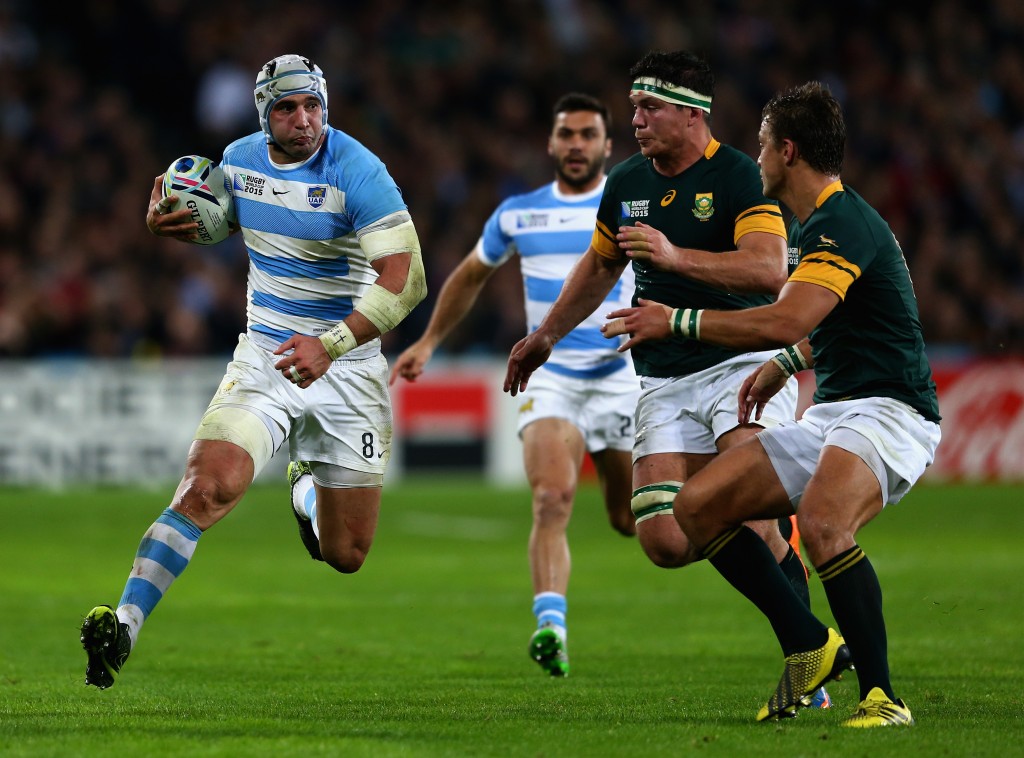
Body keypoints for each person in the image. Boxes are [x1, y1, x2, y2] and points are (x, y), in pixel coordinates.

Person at [79, 53, 427, 689]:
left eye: (313, 105)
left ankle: (303, 491)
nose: (304, 120)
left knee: (346, 554)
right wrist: (165, 221)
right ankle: (125, 622)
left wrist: (330, 343)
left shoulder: (359, 170)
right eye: (288, 108)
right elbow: (210, 212)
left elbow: (408, 283)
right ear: (265, 116)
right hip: (265, 356)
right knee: (207, 487)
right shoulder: (238, 162)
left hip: (346, 365)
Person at [606, 81, 941, 727]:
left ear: (787, 151)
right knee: (698, 507)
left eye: (761, 145)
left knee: (820, 523)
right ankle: (810, 644)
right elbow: (841, 323)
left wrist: (677, 322)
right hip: (835, 411)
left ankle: (883, 697)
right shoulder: (821, 226)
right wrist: (786, 364)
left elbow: (785, 318)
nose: (753, 157)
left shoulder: (842, 222)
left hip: (893, 410)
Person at [504, 51, 828, 703]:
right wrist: (543, 337)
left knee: (750, 508)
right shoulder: (625, 182)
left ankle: (808, 655)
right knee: (663, 535)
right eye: (633, 108)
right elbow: (598, 269)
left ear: (691, 114)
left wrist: (677, 257)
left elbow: (768, 271)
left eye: (649, 108)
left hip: (739, 366)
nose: (636, 120)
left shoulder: (740, 177)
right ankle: (813, 646)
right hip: (663, 380)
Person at [390, 93, 638, 677]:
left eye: (587, 134)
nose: (576, 144)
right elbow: (471, 274)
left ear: (607, 145)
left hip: (622, 376)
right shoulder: (518, 214)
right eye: (566, 134)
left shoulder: (630, 209)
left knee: (632, 520)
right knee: (551, 498)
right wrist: (428, 342)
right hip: (547, 375)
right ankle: (551, 625)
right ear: (551, 144)